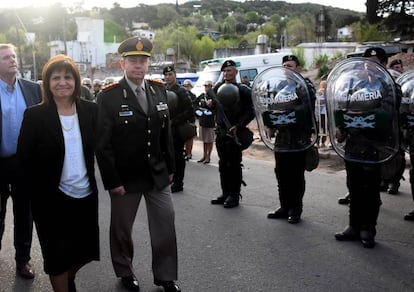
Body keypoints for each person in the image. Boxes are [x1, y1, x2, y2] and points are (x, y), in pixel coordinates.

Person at [96, 36, 180, 292]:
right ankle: (125, 271)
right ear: (122, 64)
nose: (138, 66)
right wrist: (112, 181)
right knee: (122, 229)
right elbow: (103, 145)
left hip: (157, 173)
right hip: (125, 178)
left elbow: (165, 134)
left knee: (165, 223)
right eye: (133, 61)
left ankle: (166, 276)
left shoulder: (158, 90)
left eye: (143, 61)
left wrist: (171, 168)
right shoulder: (108, 97)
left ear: (148, 64)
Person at [16, 54, 100, 292]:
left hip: (85, 195)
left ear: (76, 81)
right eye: (56, 78)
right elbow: (23, 160)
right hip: (50, 199)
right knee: (56, 258)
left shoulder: (91, 111)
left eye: (68, 77)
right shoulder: (34, 116)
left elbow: (107, 146)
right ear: (47, 82)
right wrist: (27, 197)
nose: (62, 82)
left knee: (85, 253)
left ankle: (68, 279)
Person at [332, 47, 400, 248]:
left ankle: (368, 229)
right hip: (353, 145)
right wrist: (342, 128)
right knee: (353, 186)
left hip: (374, 145)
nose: (369, 66)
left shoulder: (390, 87)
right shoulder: (355, 85)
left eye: (375, 62)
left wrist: (357, 115)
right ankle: (354, 226)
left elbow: (385, 114)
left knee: (370, 190)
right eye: (366, 62)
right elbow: (343, 109)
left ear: (384, 64)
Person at [0, 43, 41, 279]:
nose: (12, 60)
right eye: (6, 57)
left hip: (25, 164)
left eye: (13, 56)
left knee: (24, 215)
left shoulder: (32, 89)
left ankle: (22, 260)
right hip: (0, 163)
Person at [266, 55, 317, 223]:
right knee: (281, 174)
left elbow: (305, 108)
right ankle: (284, 206)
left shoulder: (305, 86)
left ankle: (295, 209)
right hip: (282, 139)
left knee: (295, 175)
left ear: (298, 68)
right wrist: (271, 124)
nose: (287, 69)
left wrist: (287, 116)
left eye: (290, 65)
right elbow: (272, 107)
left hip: (297, 138)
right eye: (284, 66)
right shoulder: (280, 86)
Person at [210, 60, 255, 208]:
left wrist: (238, 125)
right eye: (224, 71)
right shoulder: (217, 88)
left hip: (235, 132)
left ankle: (234, 195)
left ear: (236, 72)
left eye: (229, 71)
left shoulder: (243, 90)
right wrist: (209, 104)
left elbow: (251, 111)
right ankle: (225, 193)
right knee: (223, 164)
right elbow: (211, 108)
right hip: (221, 132)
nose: (226, 73)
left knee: (234, 164)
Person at [163, 66, 195, 193]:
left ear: (175, 75)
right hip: (166, 129)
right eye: (166, 75)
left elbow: (190, 110)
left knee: (177, 156)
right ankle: (169, 179)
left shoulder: (181, 91)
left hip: (177, 129)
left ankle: (178, 182)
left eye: (170, 74)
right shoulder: (163, 90)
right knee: (167, 155)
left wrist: (174, 121)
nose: (168, 77)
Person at [195, 80, 216, 164]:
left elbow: (218, 108)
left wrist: (212, 112)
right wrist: (197, 111)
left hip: (210, 121)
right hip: (202, 120)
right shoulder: (202, 96)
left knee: (209, 140)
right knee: (204, 140)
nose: (207, 88)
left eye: (209, 86)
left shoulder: (215, 97)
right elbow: (194, 104)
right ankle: (204, 155)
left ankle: (208, 156)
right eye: (206, 86)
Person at [183, 79, 197, 161]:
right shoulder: (181, 95)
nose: (187, 87)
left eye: (188, 86)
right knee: (183, 137)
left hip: (190, 119)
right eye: (185, 86)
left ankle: (189, 153)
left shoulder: (193, 96)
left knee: (190, 137)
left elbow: (194, 108)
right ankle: (185, 151)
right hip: (183, 119)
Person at [316, 78, 328, 148]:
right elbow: (319, 102)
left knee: (326, 128)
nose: (323, 87)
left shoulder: (328, 92)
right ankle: (317, 142)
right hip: (320, 113)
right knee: (319, 128)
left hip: (326, 113)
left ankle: (323, 142)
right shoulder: (318, 92)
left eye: (325, 85)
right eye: (322, 85)